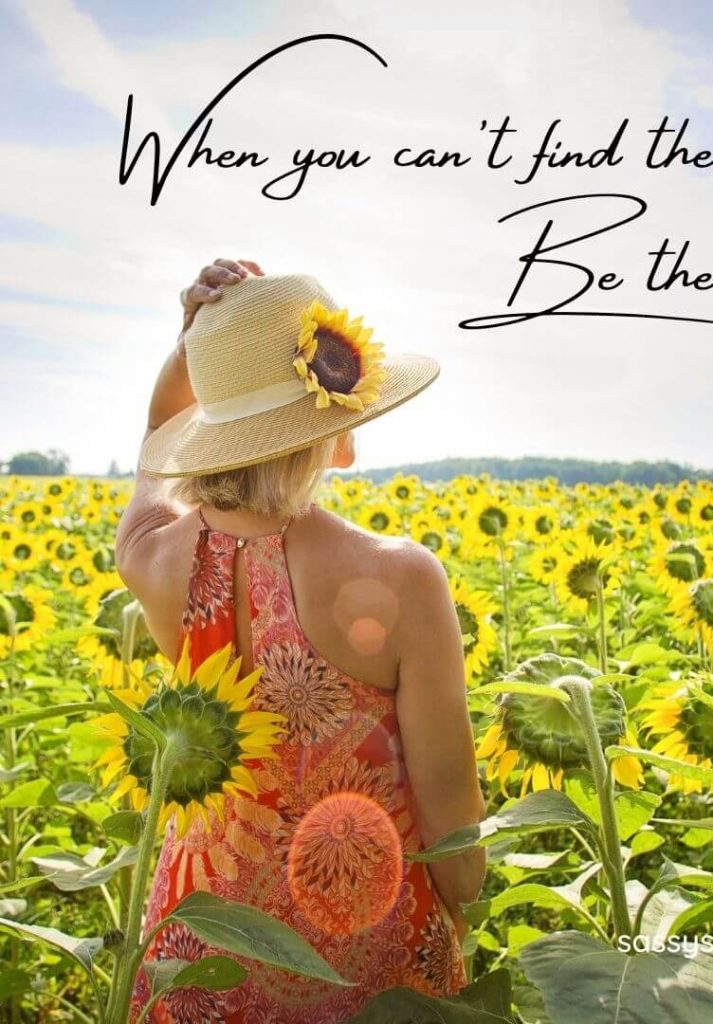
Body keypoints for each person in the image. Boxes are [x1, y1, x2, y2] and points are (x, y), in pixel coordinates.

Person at [115, 258, 487, 1022]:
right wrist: (464, 926)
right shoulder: (403, 578)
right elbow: (450, 802)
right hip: (366, 951)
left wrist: (194, 348)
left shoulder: (155, 559)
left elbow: (155, 446)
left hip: (201, 953)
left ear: (209, 431)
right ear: (336, 432)